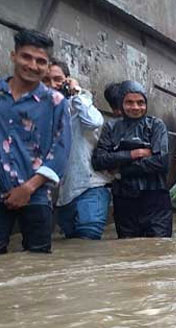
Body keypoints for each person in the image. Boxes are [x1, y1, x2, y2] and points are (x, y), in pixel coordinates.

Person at [0, 30, 71, 254]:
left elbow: (60, 152)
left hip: (37, 195)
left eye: (41, 61)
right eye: (26, 57)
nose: (33, 65)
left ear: (48, 65)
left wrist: (27, 189)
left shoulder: (56, 102)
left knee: (39, 263)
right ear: (13, 56)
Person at [92, 80, 172, 238]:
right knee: (127, 249)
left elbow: (161, 162)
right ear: (121, 103)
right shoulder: (111, 128)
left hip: (155, 201)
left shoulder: (156, 125)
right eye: (129, 102)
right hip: (125, 201)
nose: (135, 107)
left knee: (159, 248)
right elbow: (99, 161)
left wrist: (120, 170)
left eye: (140, 102)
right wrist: (134, 154)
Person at [45, 59, 112, 240]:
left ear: (67, 80)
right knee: (72, 249)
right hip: (63, 197)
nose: (52, 85)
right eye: (45, 80)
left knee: (87, 245)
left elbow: (94, 122)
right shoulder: (40, 112)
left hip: (90, 190)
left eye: (58, 79)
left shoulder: (81, 108)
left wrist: (76, 92)